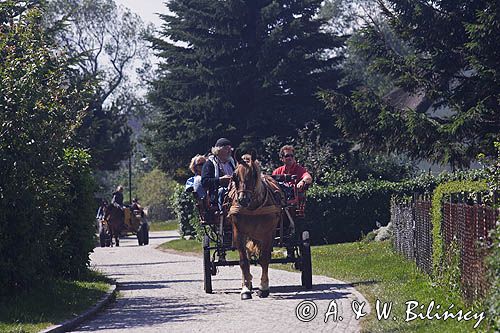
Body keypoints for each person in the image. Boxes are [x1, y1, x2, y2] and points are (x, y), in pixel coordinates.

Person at [201, 138, 236, 210]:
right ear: (218, 150)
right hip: (216, 192)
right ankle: (223, 214)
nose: (229, 151)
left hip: (234, 189)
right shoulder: (209, 164)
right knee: (222, 192)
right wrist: (220, 180)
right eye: (226, 149)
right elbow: (204, 181)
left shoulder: (232, 163)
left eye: (230, 149)